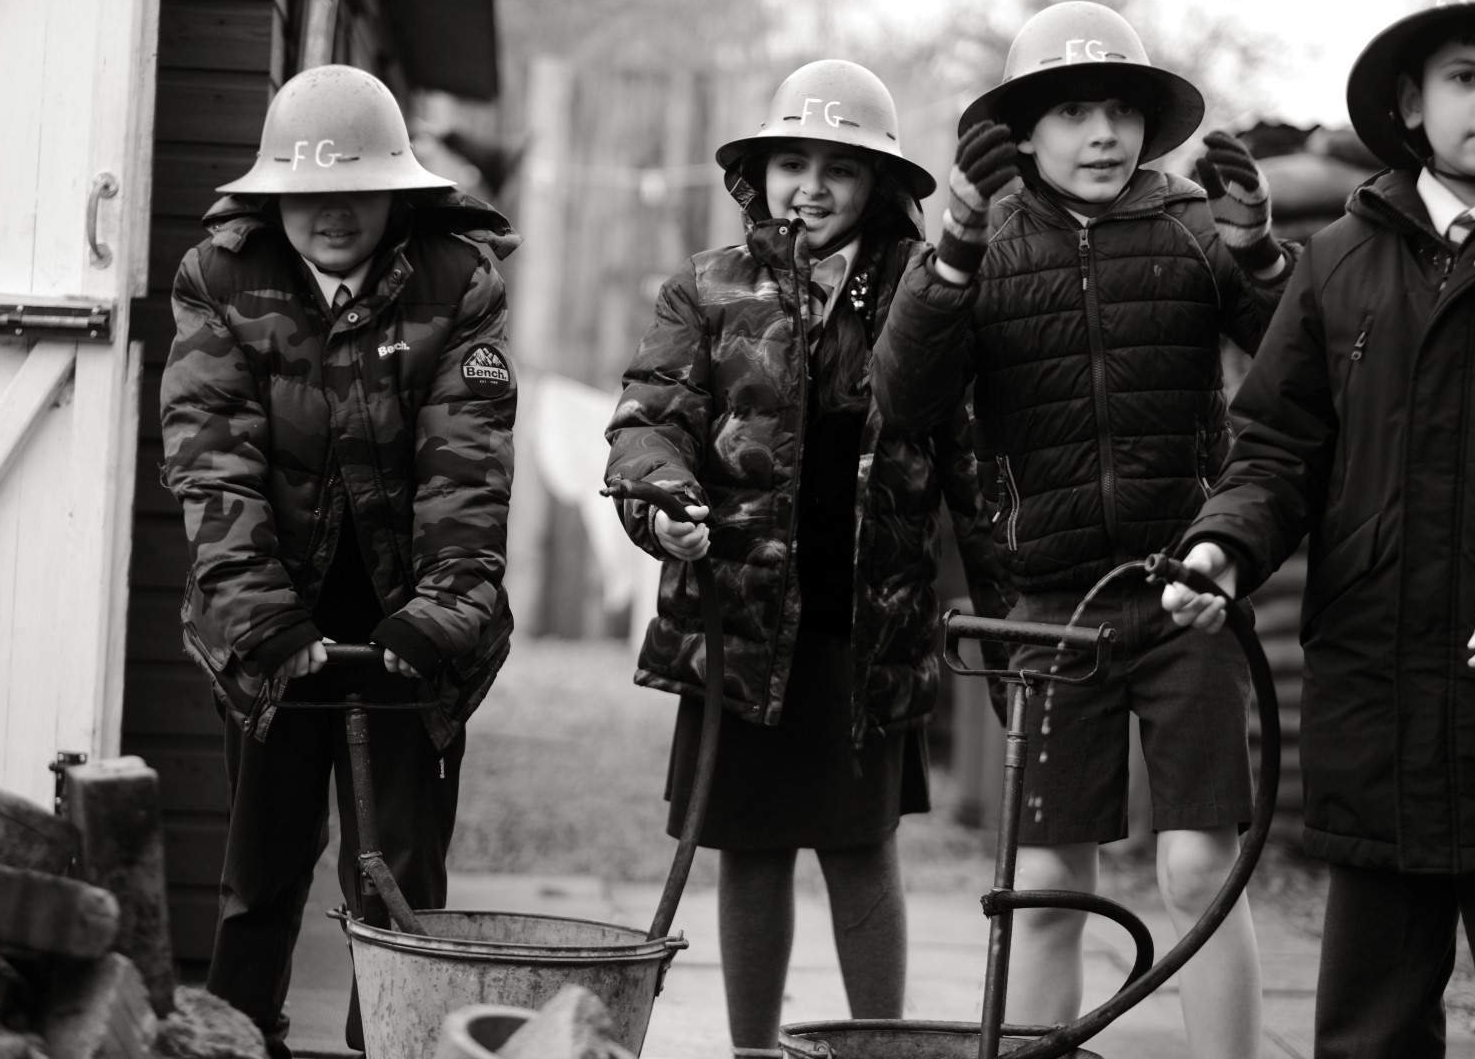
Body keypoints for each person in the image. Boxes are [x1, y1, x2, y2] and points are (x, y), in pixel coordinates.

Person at [870, 1, 1298, 1058]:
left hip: (1187, 595)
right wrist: (954, 252)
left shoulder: (1194, 226)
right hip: (1052, 610)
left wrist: (1260, 255)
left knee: (1200, 867)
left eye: (1120, 110)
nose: (1103, 134)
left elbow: (1301, 367)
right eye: (1072, 112)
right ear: (1023, 132)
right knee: (1050, 882)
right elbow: (906, 398)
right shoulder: (984, 242)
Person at [1161, 0, 1475, 1056]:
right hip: (1376, 702)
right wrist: (1223, 547)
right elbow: (1278, 446)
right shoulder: (1340, 260)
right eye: (1465, 78)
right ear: (1412, 105)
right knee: (1368, 1033)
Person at [604, 59, 1012, 1058]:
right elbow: (649, 424)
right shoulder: (706, 287)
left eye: (842, 168)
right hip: (742, 623)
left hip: (866, 626)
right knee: (749, 848)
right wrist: (663, 507)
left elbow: (972, 465)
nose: (813, 188)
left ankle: (883, 1050)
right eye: (793, 163)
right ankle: (753, 1052)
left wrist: (1009, 620)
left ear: (880, 184)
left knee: (861, 847)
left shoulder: (927, 291)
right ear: (760, 175)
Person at [159, 64, 519, 1059]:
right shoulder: (221, 279)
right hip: (273, 627)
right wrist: (263, 619)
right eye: (309, 190)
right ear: (275, 193)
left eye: (356, 189)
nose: (331, 212)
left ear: (396, 191)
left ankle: (393, 1046)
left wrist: (440, 615)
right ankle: (236, 1040)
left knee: (398, 883)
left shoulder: (456, 282)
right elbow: (211, 461)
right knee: (261, 871)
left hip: (408, 629)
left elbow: (467, 469)